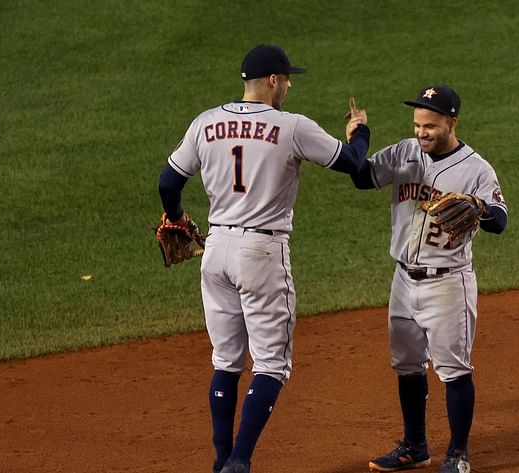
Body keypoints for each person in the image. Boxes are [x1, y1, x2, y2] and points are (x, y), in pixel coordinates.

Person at [157, 44, 370, 473]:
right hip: (261, 252)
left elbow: (168, 182)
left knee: (226, 360)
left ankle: (221, 462)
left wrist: (179, 218)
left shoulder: (206, 122)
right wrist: (359, 131)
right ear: (273, 81)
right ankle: (239, 462)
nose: (289, 86)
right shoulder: (291, 126)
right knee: (271, 365)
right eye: (288, 79)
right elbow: (353, 165)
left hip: (215, 252)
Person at [348, 85, 508, 473]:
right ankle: (415, 446)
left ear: (451, 123)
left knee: (453, 370)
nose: (422, 132)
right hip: (403, 281)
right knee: (406, 365)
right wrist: (358, 136)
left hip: (448, 283)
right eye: (418, 124)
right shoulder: (405, 151)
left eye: (431, 126)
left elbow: (500, 221)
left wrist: (478, 206)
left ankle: (458, 453)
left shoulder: (476, 169)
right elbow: (363, 178)